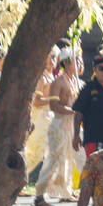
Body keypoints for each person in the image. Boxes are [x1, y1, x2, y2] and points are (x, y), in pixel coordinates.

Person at [36, 49, 83, 206]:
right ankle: (39, 195)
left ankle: (65, 191)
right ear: (66, 63)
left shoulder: (76, 81)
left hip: (73, 125)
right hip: (59, 125)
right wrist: (72, 111)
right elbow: (53, 105)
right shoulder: (58, 82)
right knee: (54, 159)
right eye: (75, 60)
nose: (78, 64)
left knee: (70, 157)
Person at [23, 47, 59, 190]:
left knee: (50, 153)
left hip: (50, 118)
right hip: (39, 118)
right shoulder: (41, 77)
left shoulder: (52, 77)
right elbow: (36, 101)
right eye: (50, 57)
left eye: (55, 57)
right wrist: (54, 99)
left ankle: (48, 187)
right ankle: (18, 180)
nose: (52, 60)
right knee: (34, 151)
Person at [73, 55, 103, 157]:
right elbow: (78, 113)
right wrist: (76, 135)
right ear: (95, 69)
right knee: (95, 171)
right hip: (94, 139)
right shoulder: (88, 89)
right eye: (102, 68)